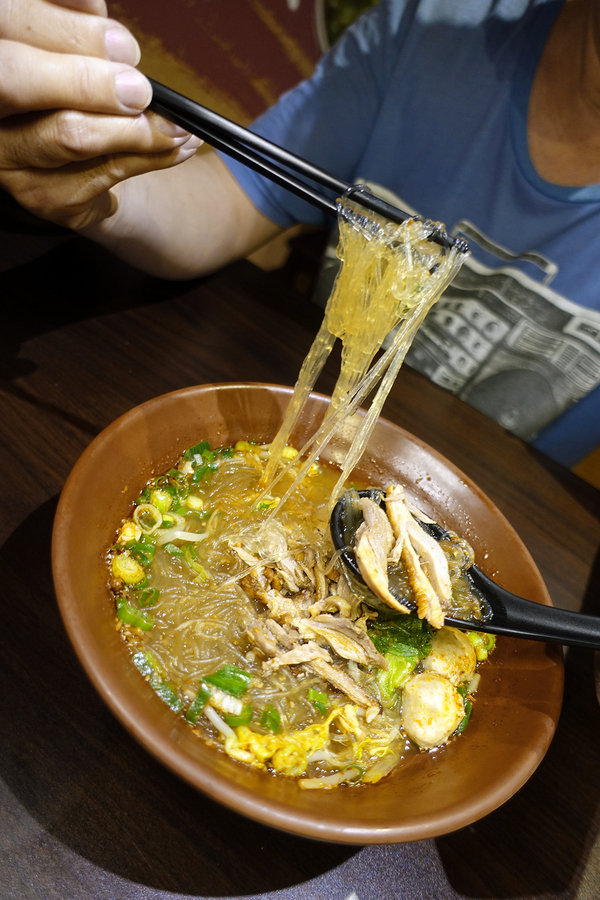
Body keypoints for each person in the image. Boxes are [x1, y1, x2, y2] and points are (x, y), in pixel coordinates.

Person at [2, 0, 600, 468]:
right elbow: (231, 198)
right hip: (294, 424)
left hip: (499, 506)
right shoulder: (437, 32)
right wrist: (98, 187)